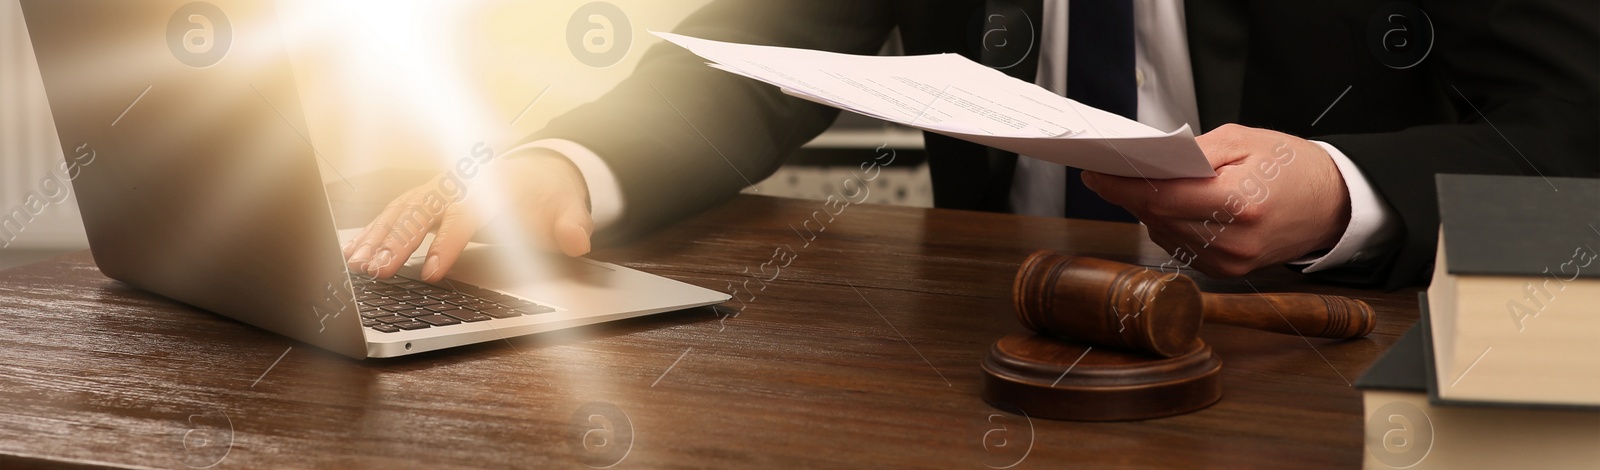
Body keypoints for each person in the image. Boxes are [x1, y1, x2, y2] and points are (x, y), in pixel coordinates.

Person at [342, 0, 1598, 290]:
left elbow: (1570, 139)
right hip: (987, 357)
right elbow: (761, 47)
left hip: (1334, 373)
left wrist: (1341, 194)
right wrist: (563, 168)